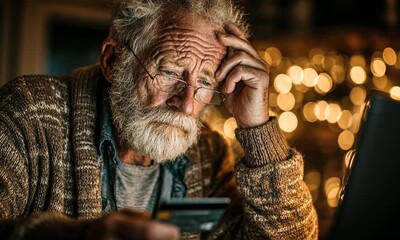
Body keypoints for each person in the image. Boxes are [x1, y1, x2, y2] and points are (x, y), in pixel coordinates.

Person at [0, 0, 318, 239]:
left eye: (205, 82)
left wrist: (257, 128)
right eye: (168, 73)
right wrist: (80, 235)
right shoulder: (31, 112)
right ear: (113, 61)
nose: (187, 104)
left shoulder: (208, 153)